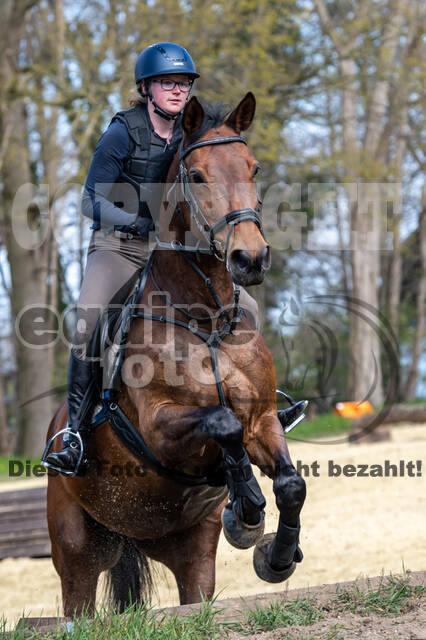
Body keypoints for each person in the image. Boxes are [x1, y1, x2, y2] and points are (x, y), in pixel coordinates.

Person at [44, 42, 304, 476]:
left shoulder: (193, 136)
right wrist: (137, 222)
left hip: (176, 250)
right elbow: (91, 200)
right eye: (168, 83)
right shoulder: (122, 132)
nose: (178, 91)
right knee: (90, 319)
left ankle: (265, 407)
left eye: (184, 84)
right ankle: (72, 433)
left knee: (249, 307)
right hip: (120, 245)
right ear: (146, 88)